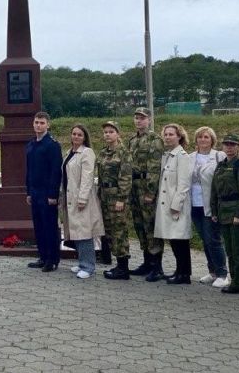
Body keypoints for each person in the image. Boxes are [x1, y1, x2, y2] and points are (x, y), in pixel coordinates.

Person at [210, 133, 239, 294]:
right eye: (226, 144)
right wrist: (214, 211)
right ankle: (235, 280)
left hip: (235, 210)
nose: (229, 147)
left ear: (238, 147)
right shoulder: (220, 165)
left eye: (232, 144)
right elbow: (214, 191)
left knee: (238, 249)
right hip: (223, 210)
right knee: (229, 249)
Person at [61, 124, 103, 280]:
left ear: (85, 137)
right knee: (76, 231)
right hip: (69, 198)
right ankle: (81, 262)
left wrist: (83, 198)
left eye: (79, 134)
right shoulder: (69, 153)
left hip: (81, 199)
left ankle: (88, 266)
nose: (76, 137)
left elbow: (87, 178)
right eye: (74, 134)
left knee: (85, 232)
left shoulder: (87, 153)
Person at [126, 108, 165, 277]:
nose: (139, 121)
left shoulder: (154, 139)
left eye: (142, 118)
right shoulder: (132, 140)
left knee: (150, 226)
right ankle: (147, 262)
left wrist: (150, 192)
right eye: (136, 118)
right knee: (139, 225)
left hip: (146, 186)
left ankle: (157, 266)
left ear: (149, 120)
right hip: (134, 186)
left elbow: (154, 167)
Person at [154, 123, 193, 285]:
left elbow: (183, 184)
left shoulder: (182, 156)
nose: (168, 137)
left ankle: (184, 274)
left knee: (180, 240)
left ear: (179, 137)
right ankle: (179, 270)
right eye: (166, 134)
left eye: (171, 134)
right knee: (174, 240)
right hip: (166, 205)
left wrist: (176, 205)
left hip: (177, 206)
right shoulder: (168, 155)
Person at [190, 126, 228, 287]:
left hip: (210, 204)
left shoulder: (219, 156)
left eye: (206, 137)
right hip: (194, 204)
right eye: (200, 137)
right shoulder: (190, 157)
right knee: (205, 240)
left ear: (212, 140)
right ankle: (212, 271)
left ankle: (223, 273)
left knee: (213, 239)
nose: (203, 140)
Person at [25, 111, 63, 273]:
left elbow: (56, 172)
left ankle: (52, 259)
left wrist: (53, 195)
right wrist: (28, 191)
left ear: (48, 125)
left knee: (49, 227)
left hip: (47, 193)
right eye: (36, 122)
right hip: (34, 192)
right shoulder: (31, 144)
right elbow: (29, 171)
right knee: (39, 226)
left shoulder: (52, 145)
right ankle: (42, 256)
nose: (38, 125)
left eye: (42, 123)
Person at [99, 121, 133, 280]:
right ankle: (118, 264)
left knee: (120, 231)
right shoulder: (103, 152)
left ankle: (123, 268)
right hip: (105, 196)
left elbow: (126, 177)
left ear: (118, 134)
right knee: (110, 231)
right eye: (105, 132)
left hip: (117, 197)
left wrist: (121, 199)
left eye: (111, 131)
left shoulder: (123, 152)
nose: (107, 134)